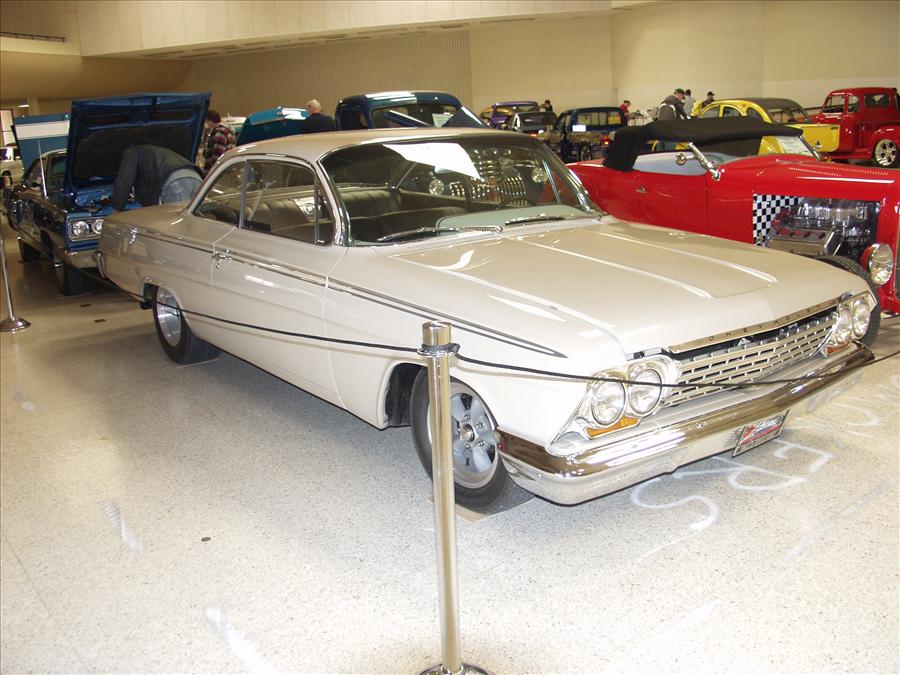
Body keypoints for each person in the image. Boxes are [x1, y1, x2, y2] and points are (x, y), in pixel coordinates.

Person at [110, 144, 203, 212]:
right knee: (193, 223)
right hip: (197, 179)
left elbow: (124, 181)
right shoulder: (154, 153)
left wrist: (117, 208)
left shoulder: (131, 152)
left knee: (176, 226)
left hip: (176, 183)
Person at [202, 110, 236, 174]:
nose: (205, 123)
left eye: (206, 121)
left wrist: (212, 173)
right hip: (227, 168)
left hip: (218, 172)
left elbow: (217, 154)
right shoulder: (228, 131)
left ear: (210, 120)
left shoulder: (220, 133)